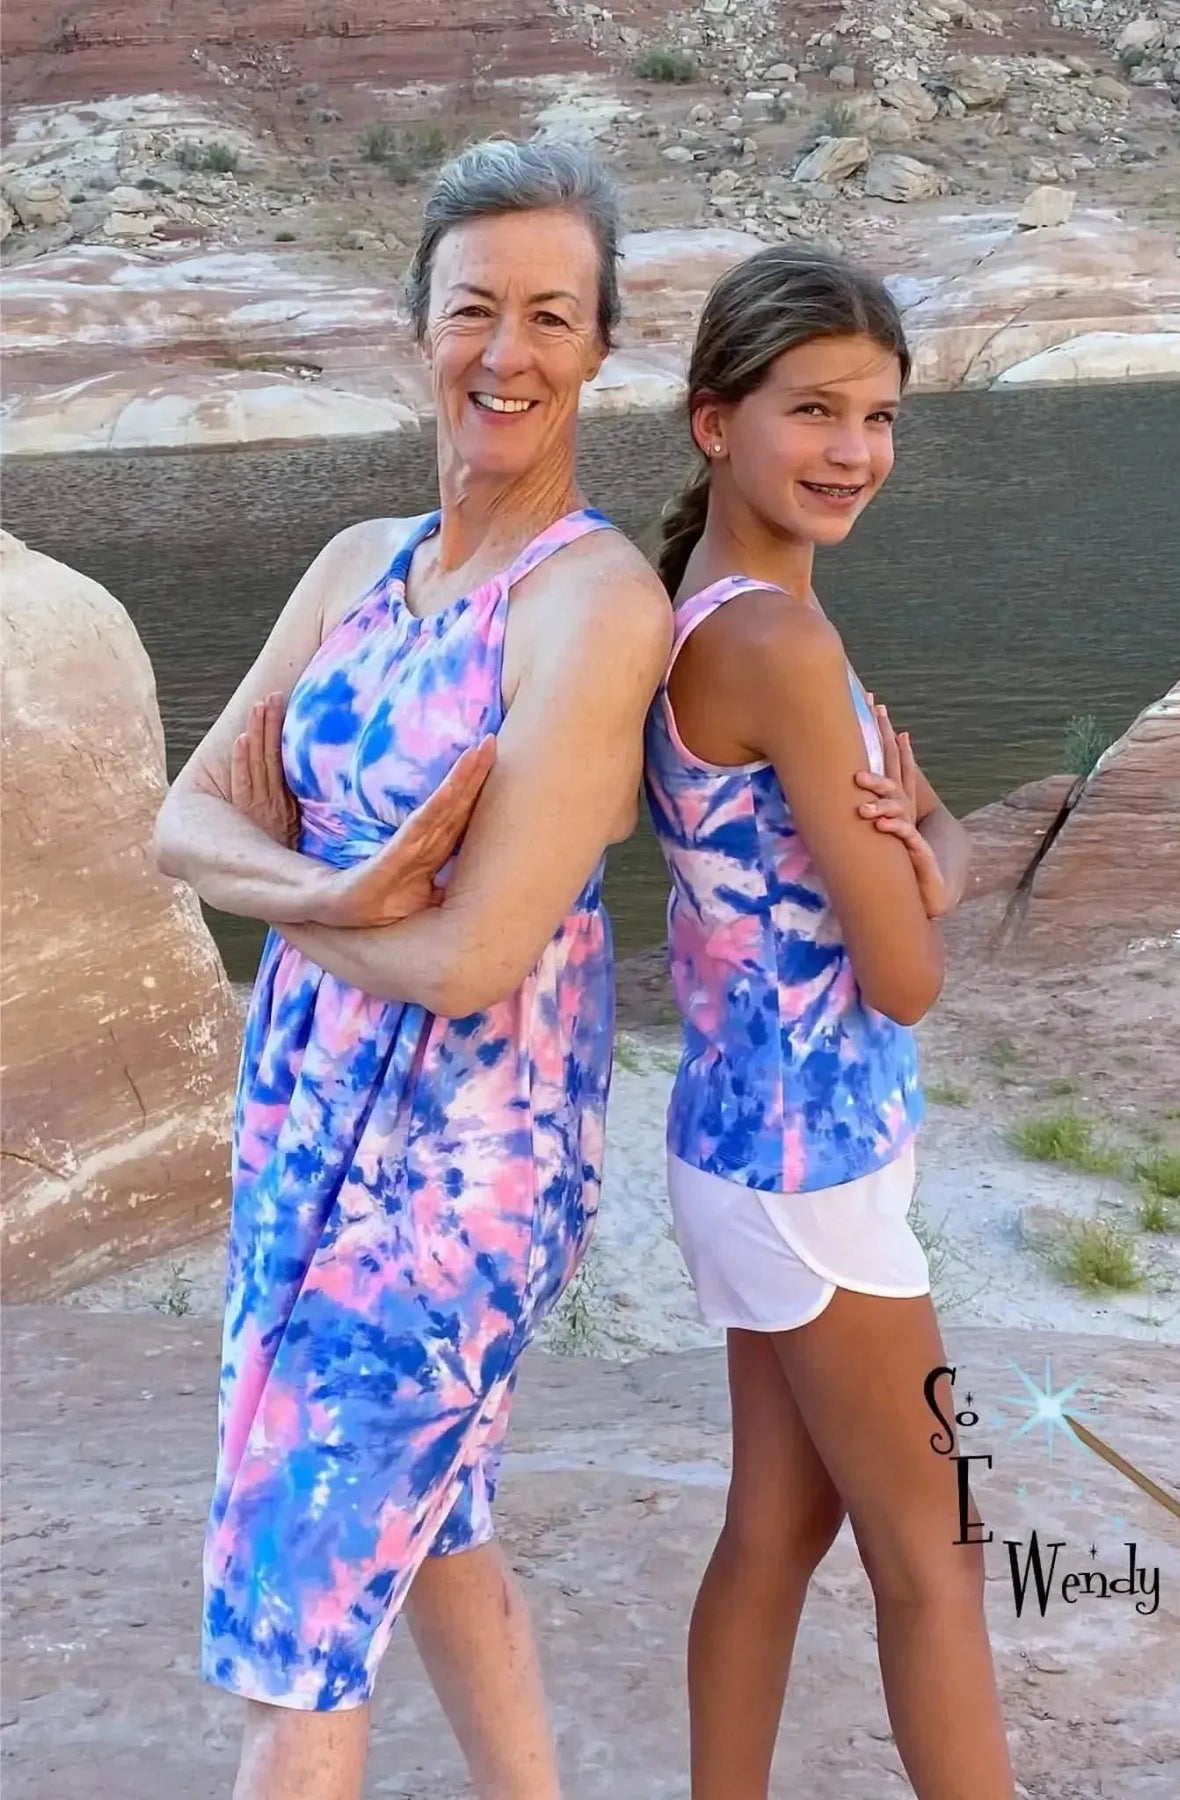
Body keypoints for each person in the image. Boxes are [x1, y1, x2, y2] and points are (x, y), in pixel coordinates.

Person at [154, 137, 671, 1800]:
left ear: (600, 347)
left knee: (302, 1605)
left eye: (548, 315)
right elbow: (182, 820)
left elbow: (471, 960)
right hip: (305, 1125)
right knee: (431, 1525)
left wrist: (304, 896)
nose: (504, 354)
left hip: (463, 1175)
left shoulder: (593, 605)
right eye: (472, 310)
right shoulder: (355, 565)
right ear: (419, 327)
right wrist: (351, 881)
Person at [643, 244, 1015, 1799]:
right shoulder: (786, 648)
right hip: (813, 1165)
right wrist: (935, 865)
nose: (854, 449)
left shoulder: (720, 613)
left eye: (878, 414)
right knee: (940, 1562)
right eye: (814, 409)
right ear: (714, 418)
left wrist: (934, 853)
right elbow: (909, 972)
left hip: (750, 1146)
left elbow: (926, 843)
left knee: (779, 1528)